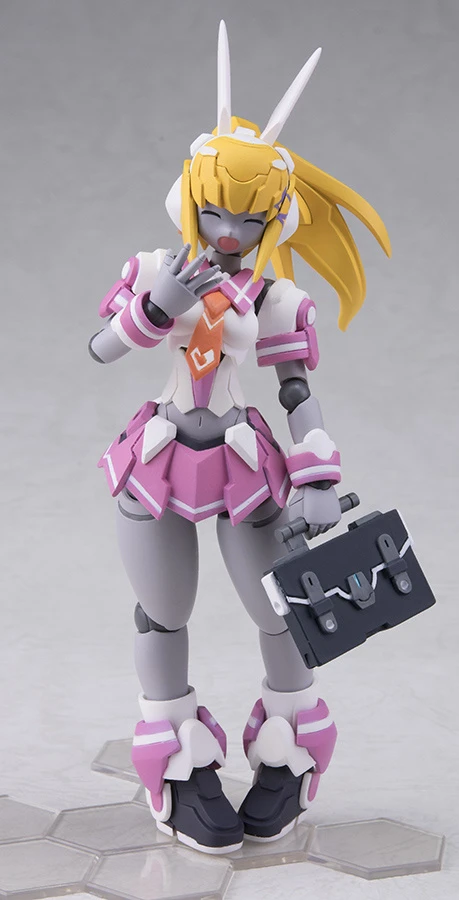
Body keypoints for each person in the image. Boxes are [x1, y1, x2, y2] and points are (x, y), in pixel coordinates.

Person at [90, 22, 390, 855]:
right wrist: (155, 307)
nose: (227, 231)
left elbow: (296, 392)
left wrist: (318, 477)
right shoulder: (154, 271)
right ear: (189, 199)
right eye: (215, 210)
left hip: (242, 464)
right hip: (157, 458)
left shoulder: (278, 300)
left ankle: (291, 747)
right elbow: (102, 346)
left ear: (274, 218)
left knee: (280, 610)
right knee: (161, 614)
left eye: (247, 217)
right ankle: (174, 760)